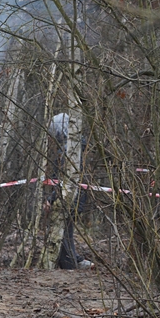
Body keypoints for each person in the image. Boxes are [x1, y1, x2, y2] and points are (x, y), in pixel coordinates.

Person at [45, 113, 92, 269]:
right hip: (77, 195)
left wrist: (51, 199)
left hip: (71, 196)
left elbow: (63, 178)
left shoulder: (68, 150)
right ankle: (75, 260)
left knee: (63, 229)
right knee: (67, 229)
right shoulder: (76, 147)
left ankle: (70, 263)